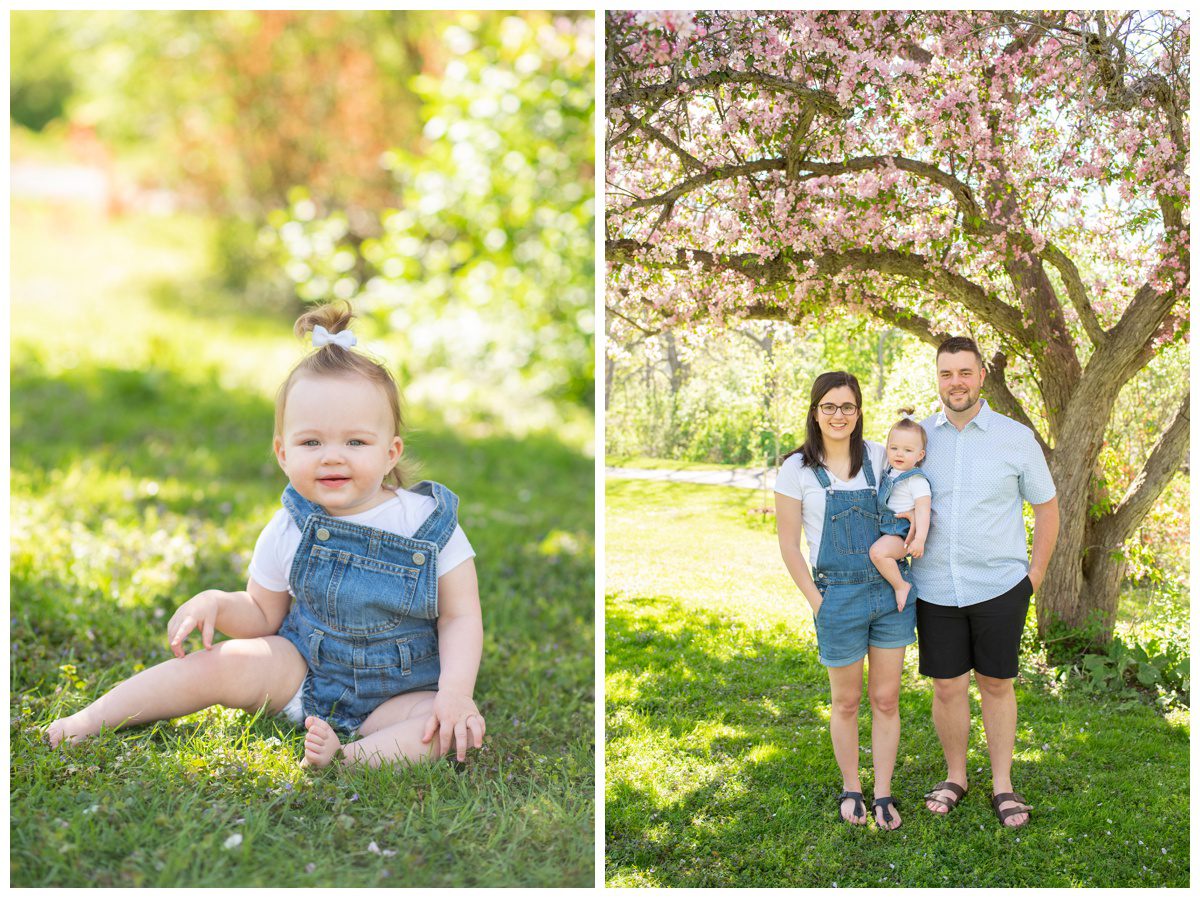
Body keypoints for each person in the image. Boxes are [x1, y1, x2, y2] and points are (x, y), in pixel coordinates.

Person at [46, 303, 487, 769]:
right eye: (311, 442)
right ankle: (92, 718)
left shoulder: (426, 525)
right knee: (222, 662)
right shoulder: (290, 526)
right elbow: (261, 615)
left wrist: (455, 694)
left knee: (447, 729)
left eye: (355, 442)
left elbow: (459, 617)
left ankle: (347, 758)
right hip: (301, 673)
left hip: (402, 692)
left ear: (390, 451)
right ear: (282, 452)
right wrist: (218, 601)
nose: (332, 457)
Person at [906, 336, 1058, 828]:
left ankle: (1002, 784)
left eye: (964, 373)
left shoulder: (1016, 438)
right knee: (947, 688)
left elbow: (1048, 507)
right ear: (938, 378)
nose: (956, 383)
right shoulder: (919, 440)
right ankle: (956, 776)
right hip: (934, 586)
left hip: (999, 585)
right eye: (947, 373)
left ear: (981, 377)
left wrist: (1033, 576)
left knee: (996, 683)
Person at [775, 371, 916, 831]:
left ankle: (883, 792)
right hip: (836, 596)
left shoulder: (880, 456)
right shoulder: (796, 470)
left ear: (859, 412)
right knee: (847, 702)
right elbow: (789, 545)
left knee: (887, 698)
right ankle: (852, 786)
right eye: (829, 407)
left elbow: (913, 500)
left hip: (889, 593)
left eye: (848, 407)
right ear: (815, 412)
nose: (839, 415)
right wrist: (818, 602)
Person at [868, 411, 931, 612]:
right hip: (888, 527)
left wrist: (919, 539)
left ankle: (901, 585)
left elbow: (923, 511)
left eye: (907, 450)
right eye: (893, 448)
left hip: (903, 533)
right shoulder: (890, 471)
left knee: (877, 553)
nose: (899, 454)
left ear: (920, 455)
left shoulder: (916, 480)